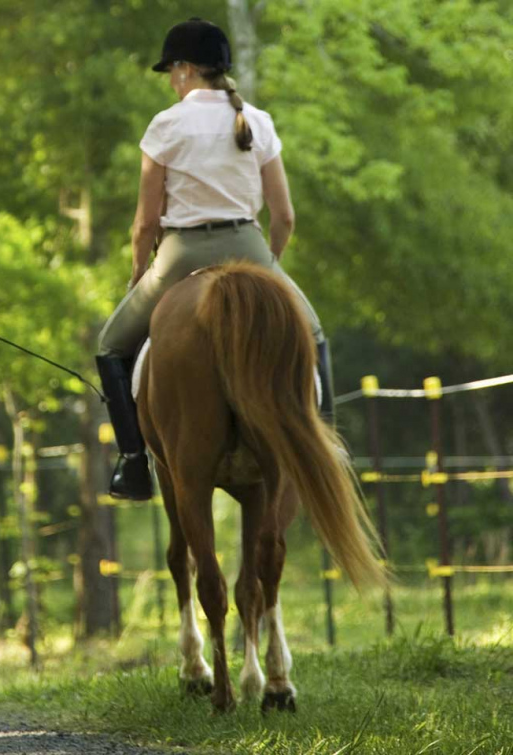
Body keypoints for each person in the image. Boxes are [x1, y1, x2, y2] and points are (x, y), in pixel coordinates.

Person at [95, 18, 333, 501]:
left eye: (170, 71)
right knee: (313, 335)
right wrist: (270, 262)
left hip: (181, 253)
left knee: (110, 346)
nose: (170, 80)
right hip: (249, 245)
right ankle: (327, 447)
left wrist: (139, 271)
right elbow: (283, 215)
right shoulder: (258, 121)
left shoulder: (166, 124)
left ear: (184, 70)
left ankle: (134, 462)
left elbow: (145, 223)